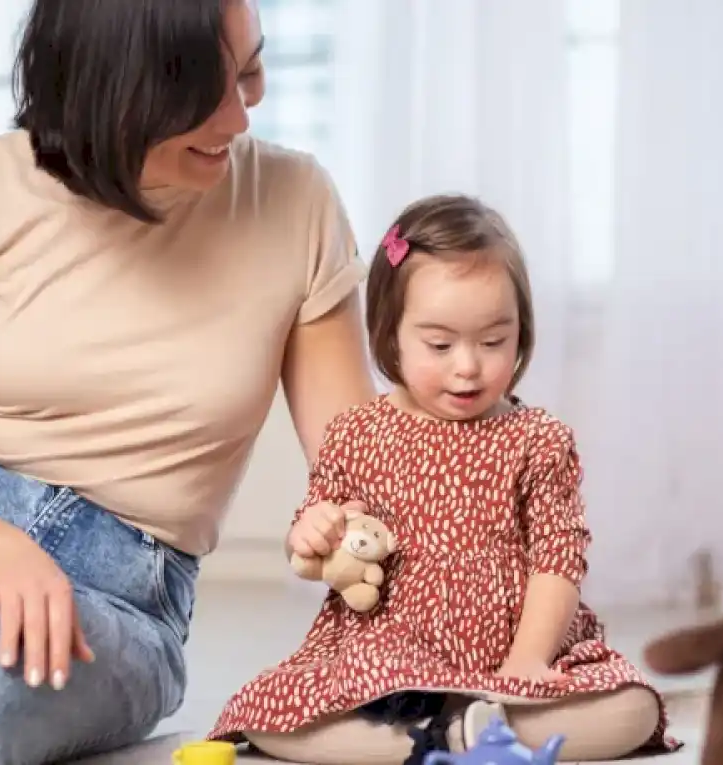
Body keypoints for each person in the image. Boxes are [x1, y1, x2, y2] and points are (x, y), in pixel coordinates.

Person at [0, 0, 374, 763]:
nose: (241, 118)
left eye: (252, 71)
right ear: (114, 87)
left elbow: (366, 471)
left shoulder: (295, 205)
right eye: (210, 89)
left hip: (121, 599)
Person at [207, 195, 683, 764]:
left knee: (635, 708)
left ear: (521, 333)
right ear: (391, 336)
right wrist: (311, 532)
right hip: (393, 660)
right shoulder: (357, 433)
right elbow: (320, 539)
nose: (467, 366)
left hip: (516, 653)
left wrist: (526, 665)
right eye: (440, 345)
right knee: (270, 718)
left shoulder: (538, 438)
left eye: (493, 342)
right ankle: (443, 733)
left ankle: (478, 726)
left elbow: (558, 560)